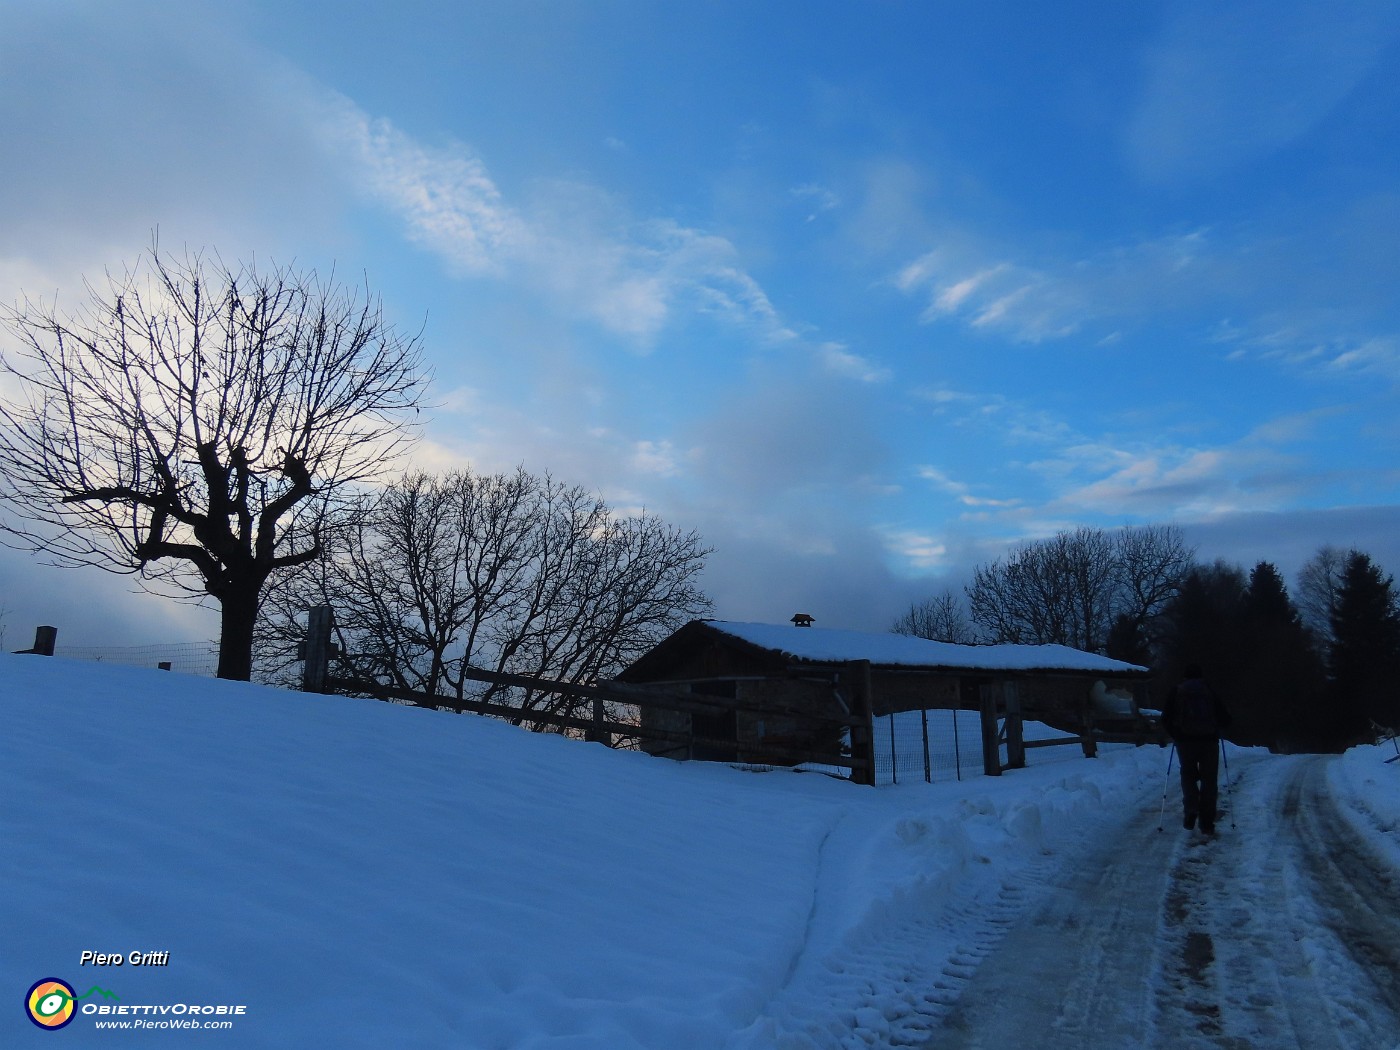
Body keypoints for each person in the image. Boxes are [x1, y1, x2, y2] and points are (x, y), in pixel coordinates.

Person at [1160, 663, 1232, 835]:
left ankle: (1191, 807)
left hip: (1185, 741)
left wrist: (1175, 733)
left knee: (1188, 775)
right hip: (1209, 742)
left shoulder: (1177, 691)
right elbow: (1225, 718)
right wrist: (1217, 727)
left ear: (1185, 676)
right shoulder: (1209, 691)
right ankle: (1207, 823)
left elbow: (1165, 718)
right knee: (1209, 781)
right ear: (1201, 676)